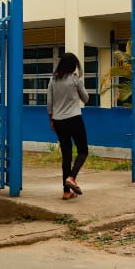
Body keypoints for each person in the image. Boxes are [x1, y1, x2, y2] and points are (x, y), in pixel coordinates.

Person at [46, 52, 89, 200]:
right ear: (72, 66)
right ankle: (72, 177)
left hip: (59, 121)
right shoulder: (75, 79)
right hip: (74, 119)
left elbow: (49, 103)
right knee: (83, 151)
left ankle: (66, 192)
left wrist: (51, 119)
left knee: (66, 156)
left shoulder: (53, 79)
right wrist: (79, 87)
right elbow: (86, 98)